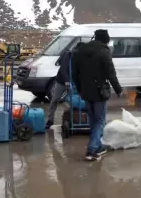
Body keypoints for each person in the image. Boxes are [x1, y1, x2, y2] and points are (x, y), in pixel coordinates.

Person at [72, 29, 122, 161]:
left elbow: (74, 73)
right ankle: (92, 150)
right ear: (105, 39)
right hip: (99, 91)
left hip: (86, 91)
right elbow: (111, 73)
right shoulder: (104, 52)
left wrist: (80, 89)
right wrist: (118, 89)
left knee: (94, 120)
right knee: (100, 120)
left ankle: (98, 147)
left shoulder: (81, 51)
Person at [46, 42, 84, 130]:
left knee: (76, 100)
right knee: (55, 99)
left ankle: (76, 119)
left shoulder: (81, 56)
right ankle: (50, 120)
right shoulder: (68, 55)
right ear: (76, 49)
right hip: (62, 81)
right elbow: (63, 69)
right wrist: (67, 81)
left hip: (74, 81)